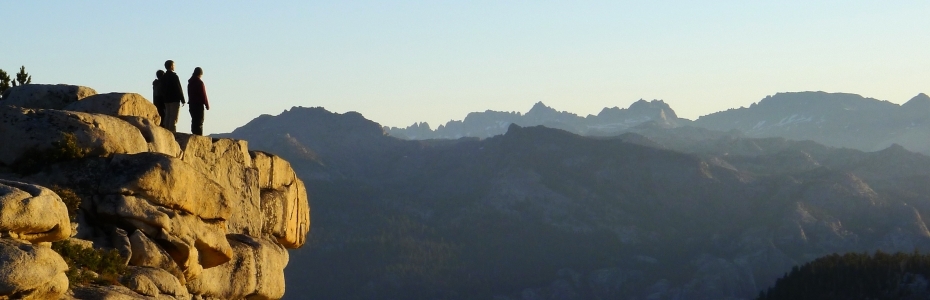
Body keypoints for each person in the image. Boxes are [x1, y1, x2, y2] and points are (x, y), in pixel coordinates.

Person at [161, 60, 186, 132]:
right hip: (174, 99)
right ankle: (172, 133)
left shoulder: (163, 77)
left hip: (166, 99)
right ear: (171, 66)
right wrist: (182, 99)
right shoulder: (174, 76)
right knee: (173, 118)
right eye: (173, 65)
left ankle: (166, 132)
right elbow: (178, 88)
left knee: (167, 116)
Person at [187, 67, 210, 135]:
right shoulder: (199, 83)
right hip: (198, 105)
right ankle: (199, 136)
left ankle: (194, 133)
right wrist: (207, 104)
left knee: (194, 120)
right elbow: (203, 94)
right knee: (200, 121)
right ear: (200, 74)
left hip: (191, 104)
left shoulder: (190, 83)